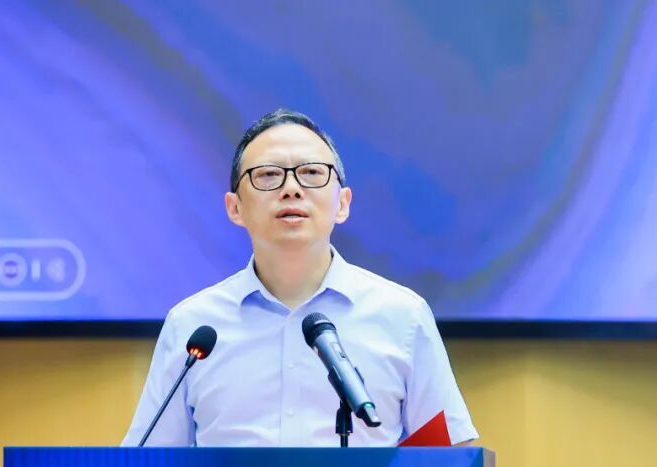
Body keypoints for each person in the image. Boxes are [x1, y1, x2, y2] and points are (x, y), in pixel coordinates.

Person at [122, 109, 476, 447]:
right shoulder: (192, 325)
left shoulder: (403, 316)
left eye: (311, 173)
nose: (291, 188)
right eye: (267, 175)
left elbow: (450, 459)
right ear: (235, 208)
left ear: (342, 204)